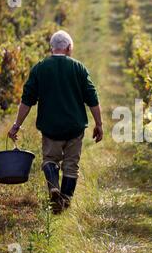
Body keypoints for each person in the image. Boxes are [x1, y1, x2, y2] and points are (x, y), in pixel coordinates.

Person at [8, 30, 103, 214]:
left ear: (52, 48)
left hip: (50, 129)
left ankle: (53, 187)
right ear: (68, 48)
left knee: (50, 160)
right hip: (74, 128)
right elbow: (92, 99)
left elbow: (27, 100)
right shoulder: (79, 68)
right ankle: (64, 203)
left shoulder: (40, 68)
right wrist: (99, 124)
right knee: (71, 165)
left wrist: (16, 125)